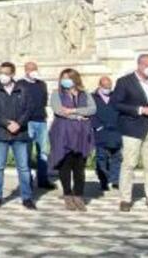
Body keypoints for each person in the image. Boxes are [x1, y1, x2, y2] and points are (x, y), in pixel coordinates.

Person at [111, 53, 148, 212]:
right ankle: (125, 199)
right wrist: (141, 110)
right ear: (140, 65)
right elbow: (116, 104)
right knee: (129, 164)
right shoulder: (125, 81)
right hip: (132, 128)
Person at [0, 61, 34, 209]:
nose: (3, 76)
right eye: (1, 73)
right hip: (0, 133)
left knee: (23, 168)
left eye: (6, 73)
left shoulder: (23, 89)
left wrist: (19, 123)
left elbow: (29, 109)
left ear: (12, 74)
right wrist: (7, 124)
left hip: (20, 133)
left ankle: (27, 197)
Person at [48, 68, 96, 210]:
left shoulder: (84, 93)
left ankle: (78, 195)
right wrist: (78, 117)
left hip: (82, 133)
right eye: (63, 78)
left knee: (79, 166)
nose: (65, 80)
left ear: (75, 79)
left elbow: (92, 109)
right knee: (65, 164)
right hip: (63, 133)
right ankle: (67, 195)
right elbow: (59, 110)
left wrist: (74, 111)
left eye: (68, 77)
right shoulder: (56, 94)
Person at [21, 61, 53, 191]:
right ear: (26, 71)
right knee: (26, 152)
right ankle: (27, 180)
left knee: (43, 152)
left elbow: (44, 100)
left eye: (35, 69)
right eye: (31, 69)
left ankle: (43, 180)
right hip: (28, 121)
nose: (34, 71)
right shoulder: (20, 84)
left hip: (41, 120)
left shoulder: (41, 84)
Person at [91, 75, 122, 191]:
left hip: (116, 131)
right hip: (101, 132)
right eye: (105, 87)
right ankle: (103, 180)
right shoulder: (92, 97)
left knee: (117, 157)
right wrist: (97, 126)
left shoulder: (116, 97)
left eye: (109, 87)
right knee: (101, 157)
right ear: (100, 86)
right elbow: (90, 114)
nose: (107, 89)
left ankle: (115, 180)